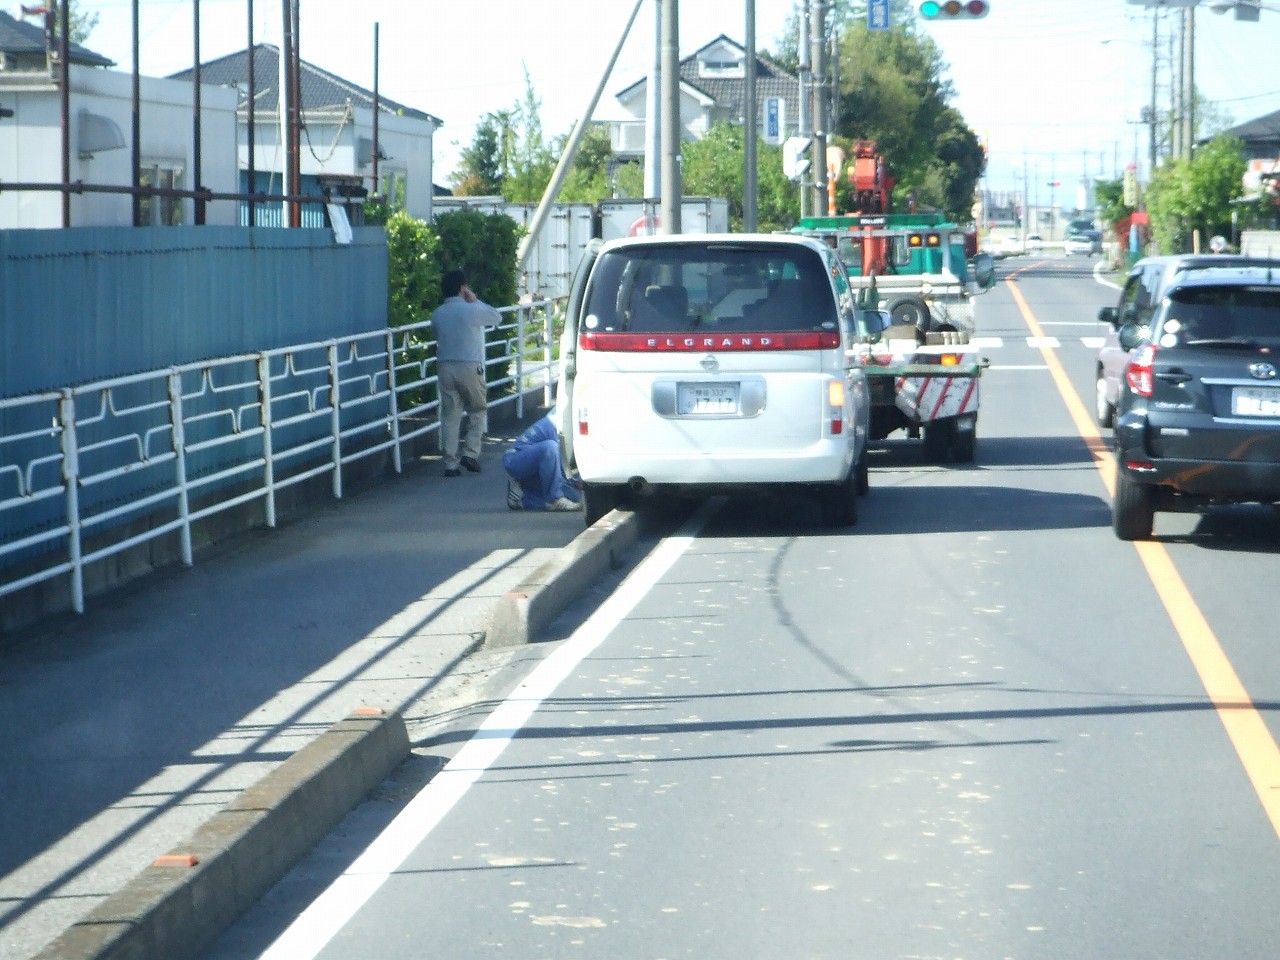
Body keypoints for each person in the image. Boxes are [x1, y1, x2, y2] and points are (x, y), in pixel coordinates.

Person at [430, 269, 501, 477]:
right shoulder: (471, 310)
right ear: (463, 288)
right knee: (477, 409)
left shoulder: (437, 314)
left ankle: (450, 464)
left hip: (445, 366)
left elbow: (436, 334)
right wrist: (475, 301)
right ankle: (470, 453)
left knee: (450, 415)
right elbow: (496, 317)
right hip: (470, 366)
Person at [503, 409, 583, 512]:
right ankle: (555, 499)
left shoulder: (565, 421)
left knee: (573, 496)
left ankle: (523, 495)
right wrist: (578, 481)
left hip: (532, 459)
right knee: (550, 447)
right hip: (515, 459)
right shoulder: (560, 425)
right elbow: (562, 463)